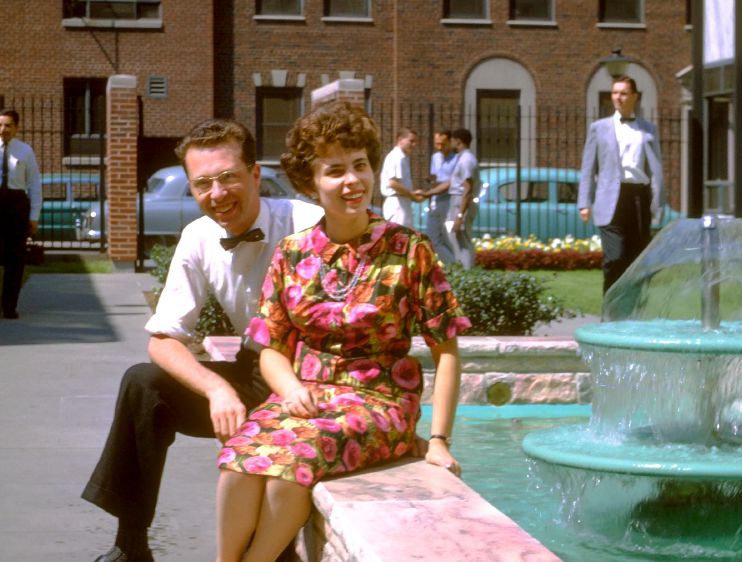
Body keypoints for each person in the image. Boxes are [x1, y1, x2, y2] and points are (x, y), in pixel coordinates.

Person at [215, 101, 470, 562]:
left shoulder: (410, 250)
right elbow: (270, 347)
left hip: (381, 400)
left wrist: (437, 441)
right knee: (237, 461)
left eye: (360, 166)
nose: (353, 181)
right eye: (335, 171)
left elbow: (446, 350)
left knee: (290, 467)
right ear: (311, 183)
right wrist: (289, 388)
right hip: (306, 395)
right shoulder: (292, 252)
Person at [82, 119, 323, 562]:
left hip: (316, 379)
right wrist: (217, 389)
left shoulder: (310, 223)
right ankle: (131, 545)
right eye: (203, 183)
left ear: (255, 175)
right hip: (255, 370)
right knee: (143, 384)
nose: (217, 194)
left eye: (229, 177)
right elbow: (163, 338)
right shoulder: (198, 236)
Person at [577, 75, 663, 294]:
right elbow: (588, 167)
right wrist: (584, 202)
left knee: (637, 260)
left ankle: (631, 315)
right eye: (615, 92)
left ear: (634, 96)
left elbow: (656, 169)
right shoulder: (599, 128)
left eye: (623, 93)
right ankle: (610, 311)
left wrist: (657, 203)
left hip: (639, 197)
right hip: (610, 199)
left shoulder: (648, 129)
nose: (618, 97)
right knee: (615, 257)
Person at [0, 109, 42, 319]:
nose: (3, 130)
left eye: (8, 125)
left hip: (16, 206)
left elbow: (34, 183)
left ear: (16, 127)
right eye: (0, 125)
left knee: (15, 259)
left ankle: (9, 307)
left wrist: (34, 216)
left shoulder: (25, 151)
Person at [421, 130, 458, 264]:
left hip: (448, 200)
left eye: (443, 144)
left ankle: (454, 264)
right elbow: (435, 177)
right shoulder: (435, 157)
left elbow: (450, 183)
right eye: (437, 144)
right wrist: (430, 182)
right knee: (433, 238)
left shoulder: (456, 159)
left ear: (449, 142)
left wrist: (429, 193)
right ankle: (453, 263)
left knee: (447, 236)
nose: (440, 147)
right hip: (435, 200)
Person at [443, 128, 478, 269]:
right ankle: (462, 270)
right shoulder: (462, 158)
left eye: (452, 140)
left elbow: (467, 189)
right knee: (456, 239)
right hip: (456, 201)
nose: (450, 142)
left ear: (458, 141)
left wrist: (459, 215)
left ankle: (466, 272)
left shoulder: (466, 160)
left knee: (462, 239)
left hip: (460, 202)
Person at [378, 127, 422, 226]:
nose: (413, 145)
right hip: (397, 203)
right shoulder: (396, 157)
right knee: (399, 238)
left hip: (402, 202)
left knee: (404, 237)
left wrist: (412, 193)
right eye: (411, 141)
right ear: (400, 139)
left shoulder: (402, 157)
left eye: (415, 142)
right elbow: (393, 183)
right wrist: (413, 197)